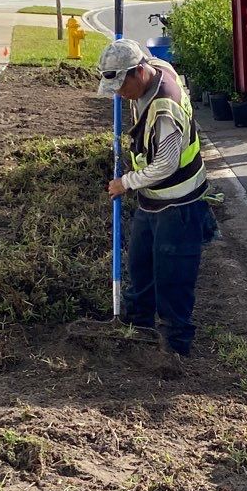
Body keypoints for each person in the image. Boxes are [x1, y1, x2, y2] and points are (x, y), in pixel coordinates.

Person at [97, 39, 218, 359]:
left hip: (178, 204)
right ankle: (139, 329)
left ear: (139, 72)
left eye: (123, 86)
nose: (120, 94)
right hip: (152, 200)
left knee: (172, 278)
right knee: (140, 266)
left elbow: (165, 165)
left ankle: (175, 348)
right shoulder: (156, 68)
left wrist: (125, 183)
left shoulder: (165, 108)